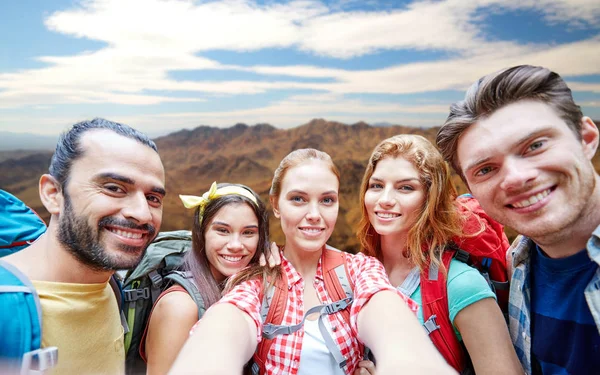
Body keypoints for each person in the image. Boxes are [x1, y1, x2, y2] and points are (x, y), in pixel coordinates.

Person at [169, 148, 455, 375]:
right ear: (276, 205)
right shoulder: (256, 279)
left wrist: (407, 359)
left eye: (327, 200)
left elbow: (383, 309)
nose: (314, 214)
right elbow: (230, 319)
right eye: (298, 199)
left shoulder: (360, 269)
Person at [436, 65, 600, 374]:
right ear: (471, 192)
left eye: (535, 146)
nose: (515, 178)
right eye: (485, 169)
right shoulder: (518, 265)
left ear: (587, 138)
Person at [1, 118, 165, 375]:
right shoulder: (5, 307)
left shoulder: (112, 285)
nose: (143, 214)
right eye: (114, 188)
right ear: (53, 194)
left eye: (153, 198)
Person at [354, 134, 521, 375]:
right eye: (377, 185)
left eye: (406, 188)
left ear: (429, 199)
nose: (385, 199)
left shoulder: (461, 284)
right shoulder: (355, 273)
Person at [143, 182, 271, 375]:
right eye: (222, 230)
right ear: (202, 233)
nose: (235, 245)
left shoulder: (247, 287)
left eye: (248, 233)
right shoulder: (179, 307)